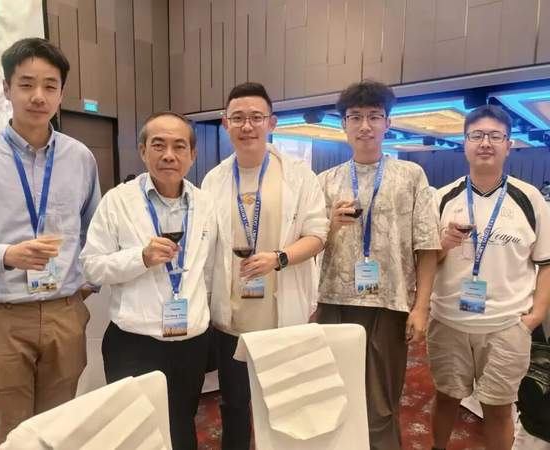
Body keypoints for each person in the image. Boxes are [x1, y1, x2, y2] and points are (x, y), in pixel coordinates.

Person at [0, 37, 101, 449]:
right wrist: (5, 255)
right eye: (26, 84)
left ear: (61, 94)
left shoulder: (80, 157)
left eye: (49, 86)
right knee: (14, 430)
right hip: (2, 315)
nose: (38, 96)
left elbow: (94, 230)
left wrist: (86, 285)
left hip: (64, 312)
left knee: (61, 423)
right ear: (7, 89)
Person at [201, 82, 329, 450]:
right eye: (238, 118)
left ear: (271, 123)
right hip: (232, 319)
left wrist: (279, 258)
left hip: (281, 315)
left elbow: (318, 234)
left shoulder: (298, 174)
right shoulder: (214, 179)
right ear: (225, 124)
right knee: (234, 404)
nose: (247, 126)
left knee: (284, 404)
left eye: (256, 118)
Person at [80, 111, 216, 450]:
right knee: (136, 432)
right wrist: (140, 258)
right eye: (158, 145)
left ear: (192, 154)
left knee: (182, 423)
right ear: (143, 151)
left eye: (179, 146)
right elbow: (91, 267)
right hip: (134, 343)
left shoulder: (206, 203)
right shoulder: (118, 201)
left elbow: (208, 270)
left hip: (191, 342)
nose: (169, 155)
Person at [316, 80, 440, 450]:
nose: (365, 126)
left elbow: (427, 246)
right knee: (337, 396)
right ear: (344, 125)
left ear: (388, 123)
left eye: (374, 116)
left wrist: (421, 307)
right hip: (335, 301)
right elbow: (311, 244)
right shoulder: (325, 181)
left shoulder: (411, 175)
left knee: (382, 402)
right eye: (355, 117)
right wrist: (330, 225)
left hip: (390, 303)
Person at [429, 104, 550, 450]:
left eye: (495, 136)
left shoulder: (529, 199)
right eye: (477, 135)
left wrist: (535, 317)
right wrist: (444, 243)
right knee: (446, 398)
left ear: (508, 145)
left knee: (498, 408)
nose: (486, 143)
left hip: (506, 326)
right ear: (464, 143)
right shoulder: (443, 198)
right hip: (448, 322)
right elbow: (425, 262)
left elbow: (546, 263)